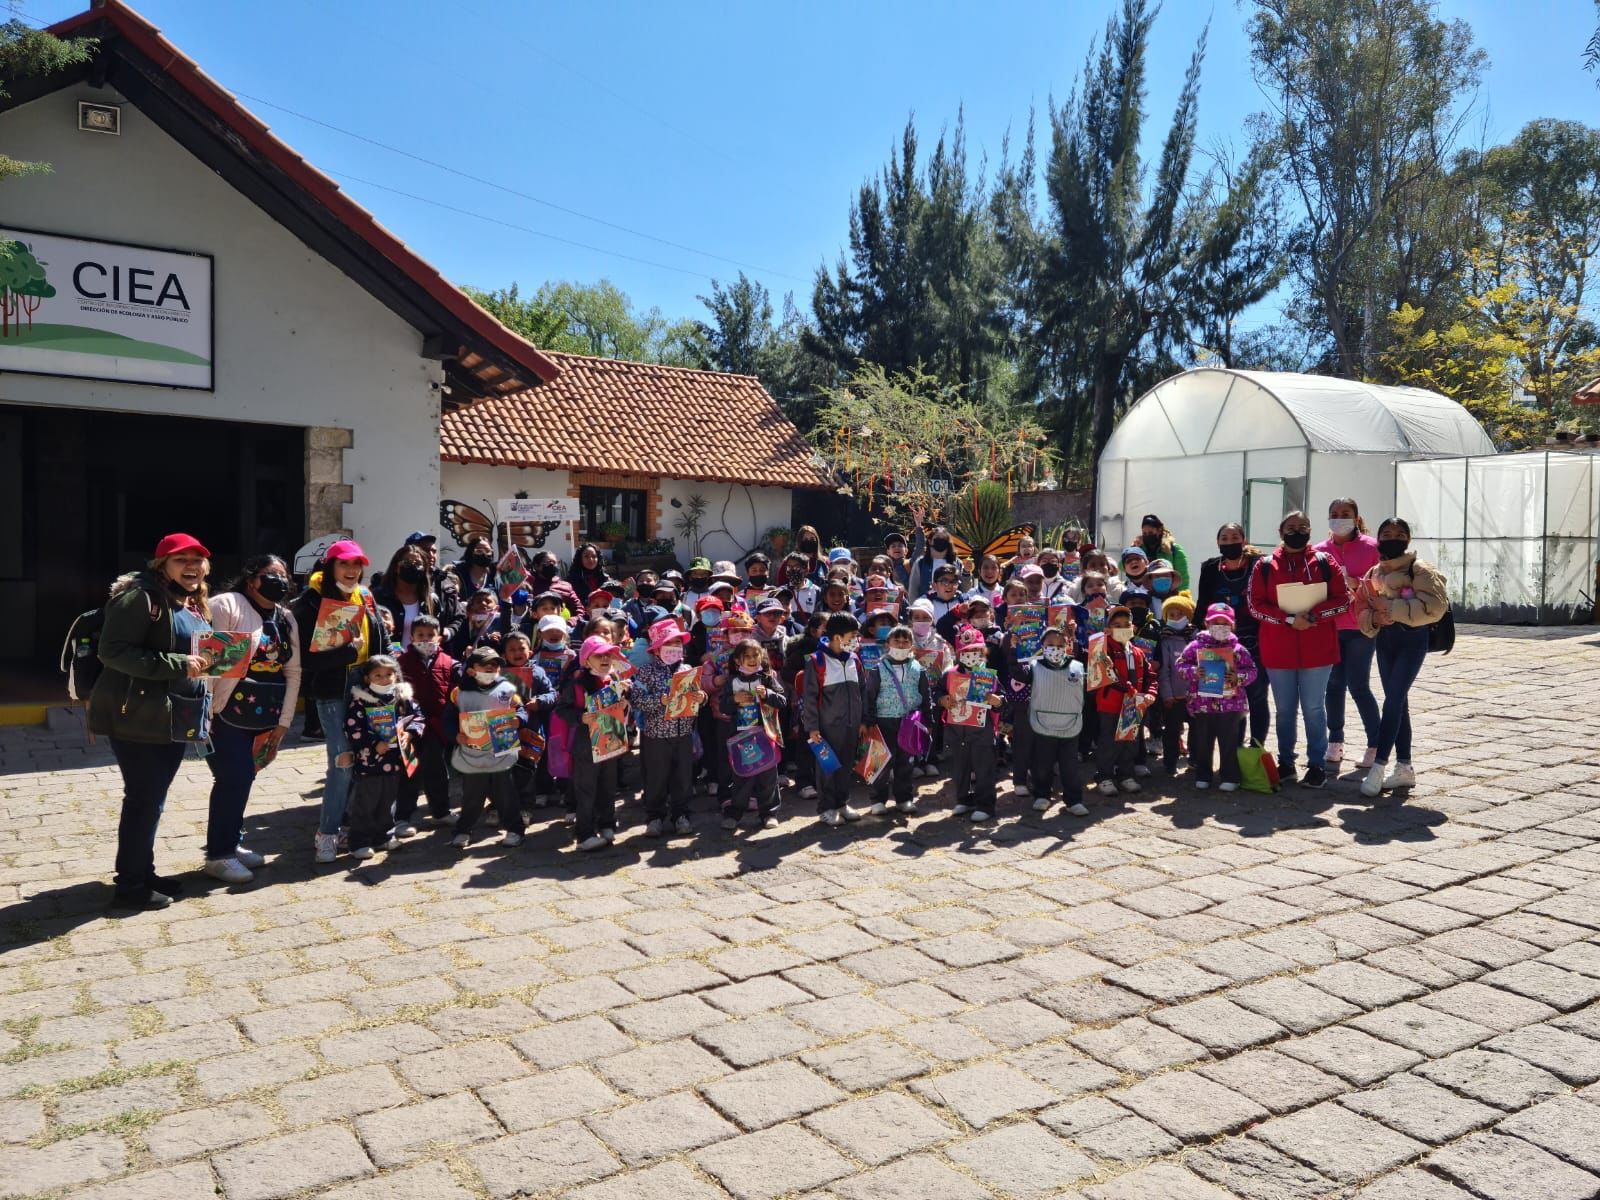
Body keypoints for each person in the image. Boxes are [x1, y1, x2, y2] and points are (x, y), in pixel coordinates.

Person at [89, 533, 214, 908]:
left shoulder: (187, 601)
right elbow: (111, 651)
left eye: (198, 560)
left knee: (152, 800)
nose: (192, 566)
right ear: (162, 565)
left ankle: (144, 872)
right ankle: (130, 887)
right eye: (181, 560)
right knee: (144, 800)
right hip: (138, 716)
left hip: (172, 714)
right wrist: (177, 664)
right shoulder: (140, 598)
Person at [204, 554, 301, 884]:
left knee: (245, 778)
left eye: (283, 574)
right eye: (270, 574)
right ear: (251, 578)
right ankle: (219, 855)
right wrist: (205, 711)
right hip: (225, 713)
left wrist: (285, 721)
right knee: (234, 778)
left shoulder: (286, 617)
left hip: (265, 715)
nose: (279, 579)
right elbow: (208, 661)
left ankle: (232, 842)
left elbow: (292, 669)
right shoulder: (226, 605)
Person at [293, 540, 386, 864]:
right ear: (329, 567)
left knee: (365, 759)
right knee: (343, 761)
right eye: (344, 564)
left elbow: (381, 641)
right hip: (333, 690)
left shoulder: (366, 596)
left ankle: (352, 826)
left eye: (356, 565)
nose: (351, 571)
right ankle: (327, 834)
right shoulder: (310, 602)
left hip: (367, 685)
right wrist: (347, 652)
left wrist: (390, 672)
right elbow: (304, 658)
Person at [1247, 511, 1351, 788]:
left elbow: (1343, 600)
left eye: (1303, 526)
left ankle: (1316, 764)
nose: (1298, 531)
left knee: (1314, 708)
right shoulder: (1265, 565)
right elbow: (1255, 605)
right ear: (1281, 532)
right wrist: (1289, 619)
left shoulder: (1324, 561)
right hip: (1278, 649)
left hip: (1317, 648)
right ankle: (1286, 762)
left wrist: (1314, 615)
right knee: (1284, 709)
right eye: (1291, 527)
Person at [1356, 518, 1449, 798]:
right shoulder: (1374, 572)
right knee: (1399, 704)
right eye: (1386, 534)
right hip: (1386, 642)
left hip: (1412, 640)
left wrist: (1393, 608)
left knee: (1393, 700)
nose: (1393, 538)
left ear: (1408, 540)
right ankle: (1405, 768)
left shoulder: (1419, 569)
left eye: (1399, 534)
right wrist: (1374, 617)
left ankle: (1379, 766)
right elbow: (1360, 606)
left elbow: (1435, 606)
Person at [1316, 498, 1382, 772]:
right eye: (1334, 514)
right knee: (1333, 685)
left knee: (1358, 686)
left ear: (1356, 518)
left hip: (1360, 627)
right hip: (1330, 626)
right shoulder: (1319, 550)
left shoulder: (1372, 547)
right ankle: (1335, 740)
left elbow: (1384, 583)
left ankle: (1375, 744)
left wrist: (1359, 583)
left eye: (1345, 514)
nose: (1339, 518)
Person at [342, 655, 424, 859]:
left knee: (389, 799)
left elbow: (418, 717)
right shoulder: (361, 699)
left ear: (396, 675)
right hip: (370, 760)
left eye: (388, 674)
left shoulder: (402, 697)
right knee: (366, 800)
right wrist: (372, 743)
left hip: (396, 759)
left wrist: (410, 733)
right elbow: (353, 726)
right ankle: (359, 841)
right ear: (368, 678)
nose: (384, 678)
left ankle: (383, 836)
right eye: (377, 675)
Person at [1197, 523, 1271, 746]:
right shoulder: (1210, 568)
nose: (1230, 542)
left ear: (1244, 540)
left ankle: (1256, 749)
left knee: (1257, 697)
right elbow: (1202, 605)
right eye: (1225, 538)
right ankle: (1233, 750)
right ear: (1218, 542)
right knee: (1228, 698)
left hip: (1256, 642)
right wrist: (1199, 637)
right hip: (1221, 643)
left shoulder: (1260, 565)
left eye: (1235, 537)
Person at [447, 646, 528, 848]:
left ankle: (514, 829)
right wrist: (455, 736)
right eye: (484, 665)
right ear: (471, 669)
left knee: (506, 793)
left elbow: (521, 709)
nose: (490, 668)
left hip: (502, 751)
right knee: (472, 794)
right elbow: (447, 720)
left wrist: (519, 719)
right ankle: (464, 829)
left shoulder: (507, 690)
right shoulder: (459, 693)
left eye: (494, 665)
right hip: (472, 752)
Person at [1005, 624, 1087, 817]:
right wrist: (1013, 650)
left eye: (1060, 644)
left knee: (1070, 767)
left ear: (1067, 646)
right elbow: (1017, 673)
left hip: (1070, 724)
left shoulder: (1077, 666)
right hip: (1043, 724)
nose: (1055, 648)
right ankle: (1042, 794)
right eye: (1050, 643)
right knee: (1042, 764)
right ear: (1041, 645)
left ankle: (1073, 800)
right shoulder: (1034, 667)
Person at [1176, 604, 1259, 790]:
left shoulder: (1238, 649)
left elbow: (1252, 671)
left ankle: (1230, 776)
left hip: (1231, 705)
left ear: (1233, 626)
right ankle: (1203, 775)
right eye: (1215, 623)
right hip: (1202, 704)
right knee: (1203, 742)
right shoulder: (1195, 646)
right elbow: (1180, 665)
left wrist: (1239, 677)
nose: (1220, 627)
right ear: (1206, 623)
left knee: (1229, 742)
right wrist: (1194, 671)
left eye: (1225, 624)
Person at [559, 636, 632, 850]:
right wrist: (581, 717)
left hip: (611, 740)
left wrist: (628, 693)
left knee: (608, 787)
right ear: (586, 660)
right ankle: (585, 834)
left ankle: (607, 824)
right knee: (586, 790)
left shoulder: (615, 680)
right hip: (585, 746)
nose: (605, 659)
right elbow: (562, 710)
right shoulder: (577, 684)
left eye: (608, 655)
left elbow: (627, 705)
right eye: (599, 655)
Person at [632, 617, 703, 836]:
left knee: (683, 777)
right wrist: (658, 702)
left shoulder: (688, 669)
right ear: (656, 649)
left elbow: (694, 698)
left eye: (677, 643)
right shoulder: (646, 671)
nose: (673, 648)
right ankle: (655, 816)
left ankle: (681, 815)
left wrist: (701, 697)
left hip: (683, 733)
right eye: (667, 644)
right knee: (656, 777)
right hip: (656, 735)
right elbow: (636, 700)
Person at [802, 612, 866, 826]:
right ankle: (826, 807)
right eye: (853, 635)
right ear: (838, 637)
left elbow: (863, 691)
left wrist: (863, 720)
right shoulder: (816, 661)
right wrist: (812, 727)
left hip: (852, 724)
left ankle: (842, 803)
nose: (856, 640)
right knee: (828, 767)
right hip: (826, 728)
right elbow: (809, 698)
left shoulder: (855, 659)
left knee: (847, 766)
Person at [1087, 605, 1156, 796]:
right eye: (1117, 624)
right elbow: (1107, 675)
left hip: (1134, 705)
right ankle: (1104, 776)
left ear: (1133, 627)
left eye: (1127, 624)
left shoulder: (1138, 652)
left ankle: (1126, 774)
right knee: (1109, 742)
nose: (1123, 628)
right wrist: (1129, 690)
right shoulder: (1104, 648)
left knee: (1129, 741)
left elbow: (1150, 676)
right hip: (1110, 704)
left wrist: (1150, 693)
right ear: (1108, 629)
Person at [938, 626, 1005, 822]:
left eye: (976, 651)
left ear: (983, 652)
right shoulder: (949, 674)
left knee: (984, 769)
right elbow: (937, 693)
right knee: (959, 768)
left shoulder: (988, 676)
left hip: (981, 730)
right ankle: (963, 800)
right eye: (966, 652)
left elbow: (1002, 700)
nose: (971, 655)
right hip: (956, 729)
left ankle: (985, 805)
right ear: (959, 654)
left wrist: (997, 701)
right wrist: (942, 700)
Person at [863, 623, 931, 815]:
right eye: (897, 641)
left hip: (909, 723)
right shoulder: (877, 669)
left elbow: (926, 695)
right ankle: (878, 800)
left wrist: (929, 720)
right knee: (881, 762)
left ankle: (904, 798)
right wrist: (868, 721)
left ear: (911, 645)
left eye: (905, 642)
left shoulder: (919, 668)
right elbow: (870, 696)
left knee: (906, 763)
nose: (901, 645)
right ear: (888, 644)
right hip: (883, 721)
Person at [720, 639, 788, 830]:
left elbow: (782, 701)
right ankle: (735, 813)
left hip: (765, 735)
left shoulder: (767, 677)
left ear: (762, 656)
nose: (751, 659)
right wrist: (734, 699)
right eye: (746, 656)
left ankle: (769, 813)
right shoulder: (732, 681)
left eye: (755, 655)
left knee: (768, 776)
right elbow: (723, 707)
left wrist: (767, 694)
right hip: (740, 737)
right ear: (737, 661)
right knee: (742, 776)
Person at [396, 613, 453, 830]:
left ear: (439, 637)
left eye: (431, 635)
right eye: (420, 635)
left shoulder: (448, 661)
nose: (426, 639)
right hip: (409, 726)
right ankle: (403, 817)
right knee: (409, 771)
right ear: (411, 637)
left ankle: (440, 811)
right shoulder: (401, 663)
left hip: (436, 726)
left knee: (437, 770)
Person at [374, 542, 456, 651]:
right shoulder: (379, 596)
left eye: (418, 563)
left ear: (424, 569)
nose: (413, 566)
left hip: (420, 663)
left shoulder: (431, 599)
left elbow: (437, 634)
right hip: (388, 662)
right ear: (396, 567)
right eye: (407, 562)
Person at [1155, 594, 1195, 775]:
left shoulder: (1197, 639)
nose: (1176, 617)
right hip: (1174, 696)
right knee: (1171, 731)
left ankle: (1195, 760)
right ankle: (1169, 763)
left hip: (1194, 697)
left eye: (1180, 613)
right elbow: (1164, 671)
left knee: (1197, 730)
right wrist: (1167, 695)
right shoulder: (1164, 640)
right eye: (1171, 614)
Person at [1137, 514, 1191, 592]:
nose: (1147, 536)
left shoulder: (1174, 549)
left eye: (1151, 532)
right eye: (1144, 533)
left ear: (1159, 530)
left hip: (1169, 593)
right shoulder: (1140, 549)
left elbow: (1183, 577)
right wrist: (1134, 547)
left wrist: (1181, 596)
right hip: (1146, 595)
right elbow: (1122, 566)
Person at [527, 551, 587, 621]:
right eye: (548, 562)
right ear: (537, 566)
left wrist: (569, 623)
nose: (552, 565)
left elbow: (580, 611)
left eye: (554, 562)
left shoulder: (566, 586)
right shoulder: (530, 585)